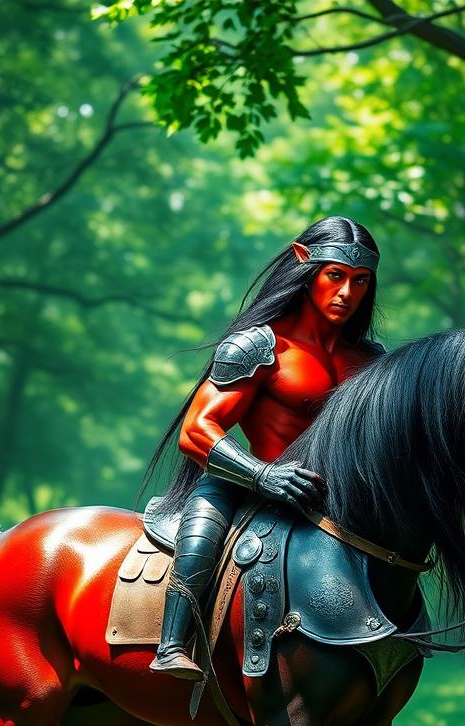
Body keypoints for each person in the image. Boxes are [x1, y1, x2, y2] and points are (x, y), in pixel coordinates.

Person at [144, 216, 385, 681]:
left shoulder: (371, 362)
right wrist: (261, 475)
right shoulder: (260, 345)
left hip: (335, 500)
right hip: (248, 484)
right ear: (304, 264)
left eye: (360, 281)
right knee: (202, 535)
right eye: (335, 275)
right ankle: (173, 642)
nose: (347, 293)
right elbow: (197, 429)